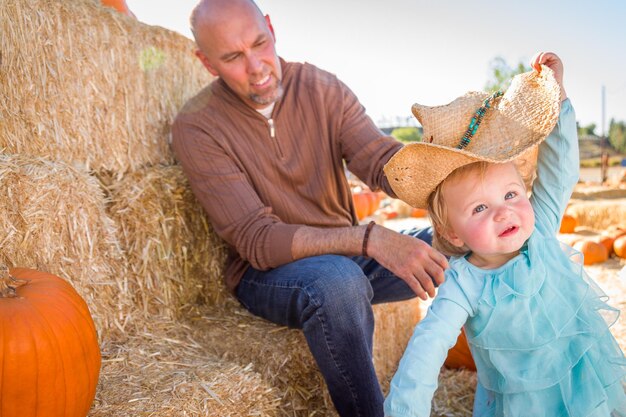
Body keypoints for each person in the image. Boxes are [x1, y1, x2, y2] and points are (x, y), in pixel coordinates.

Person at [171, 0, 449, 415]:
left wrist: (450, 170)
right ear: (207, 63)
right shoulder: (197, 127)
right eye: (232, 57)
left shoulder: (321, 87)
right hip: (271, 275)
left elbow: (377, 159)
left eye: (259, 43)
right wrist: (370, 239)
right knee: (337, 281)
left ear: (270, 27)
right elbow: (258, 241)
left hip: (349, 257)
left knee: (465, 241)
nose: (257, 66)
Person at [383, 52, 626, 416]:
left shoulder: (539, 230)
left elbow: (560, 171)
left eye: (511, 194)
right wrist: (405, 409)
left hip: (585, 386)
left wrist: (556, 97)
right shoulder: (464, 284)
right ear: (454, 232)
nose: (504, 211)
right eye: (479, 208)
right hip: (525, 406)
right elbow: (428, 347)